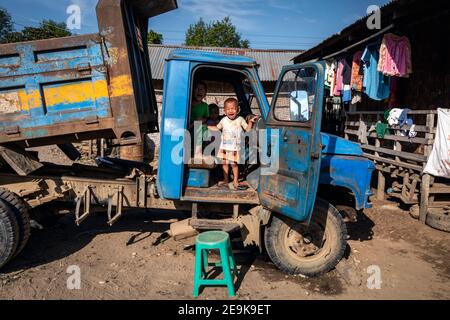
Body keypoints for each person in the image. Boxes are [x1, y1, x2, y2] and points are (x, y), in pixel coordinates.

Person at [208, 98, 257, 190]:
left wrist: (250, 122)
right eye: (228, 109)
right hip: (224, 147)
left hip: (235, 147)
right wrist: (207, 127)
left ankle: (235, 180)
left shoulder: (240, 119)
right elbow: (217, 128)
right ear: (225, 111)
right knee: (225, 164)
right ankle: (226, 180)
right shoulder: (223, 120)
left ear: (237, 110)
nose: (231, 111)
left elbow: (248, 130)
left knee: (234, 165)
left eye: (233, 108)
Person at [190, 81, 209, 160]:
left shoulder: (205, 106)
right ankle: (197, 153)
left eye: (202, 89)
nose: (199, 91)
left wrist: (201, 120)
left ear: (205, 94)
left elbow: (206, 118)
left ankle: (203, 151)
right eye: (197, 89)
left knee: (204, 128)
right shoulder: (189, 104)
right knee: (200, 127)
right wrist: (195, 121)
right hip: (189, 127)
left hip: (199, 128)